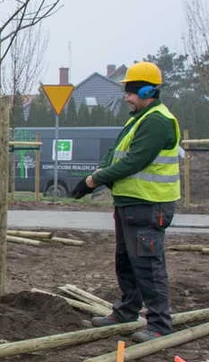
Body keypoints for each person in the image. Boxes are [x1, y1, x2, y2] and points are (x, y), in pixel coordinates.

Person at [71, 61, 181, 343]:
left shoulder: (157, 121)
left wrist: (94, 181)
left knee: (148, 265)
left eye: (131, 91)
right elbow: (116, 155)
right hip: (130, 204)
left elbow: (135, 161)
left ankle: (159, 325)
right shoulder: (139, 119)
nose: (126, 97)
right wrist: (95, 175)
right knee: (127, 262)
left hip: (149, 204)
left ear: (147, 90)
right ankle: (126, 311)